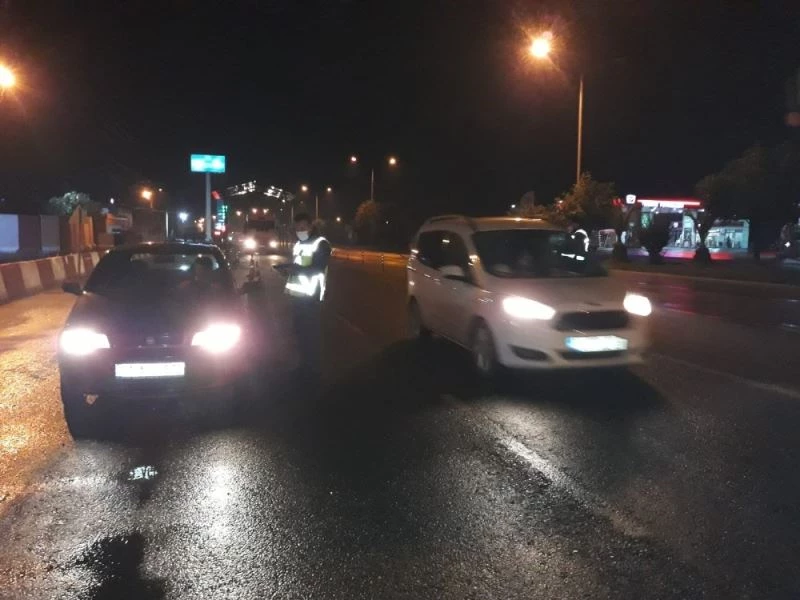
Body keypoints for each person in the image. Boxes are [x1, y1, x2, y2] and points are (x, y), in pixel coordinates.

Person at [275, 213, 331, 380]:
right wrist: (286, 270)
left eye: (303, 227)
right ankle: (304, 366)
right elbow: (298, 266)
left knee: (310, 335)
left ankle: (314, 371)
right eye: (297, 228)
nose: (300, 230)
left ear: (311, 227)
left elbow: (317, 268)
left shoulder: (321, 244)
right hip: (298, 298)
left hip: (311, 297)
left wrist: (294, 270)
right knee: (300, 333)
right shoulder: (299, 244)